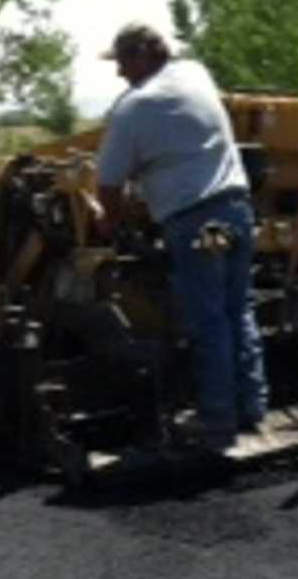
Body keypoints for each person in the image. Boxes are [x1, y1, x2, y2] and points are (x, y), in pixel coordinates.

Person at [94, 22, 269, 449]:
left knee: (208, 317)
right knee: (236, 311)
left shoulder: (133, 108)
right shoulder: (195, 74)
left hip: (199, 225)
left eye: (121, 62)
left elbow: (108, 185)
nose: (118, 73)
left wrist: (109, 222)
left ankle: (216, 421)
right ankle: (251, 408)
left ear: (139, 57)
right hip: (236, 213)